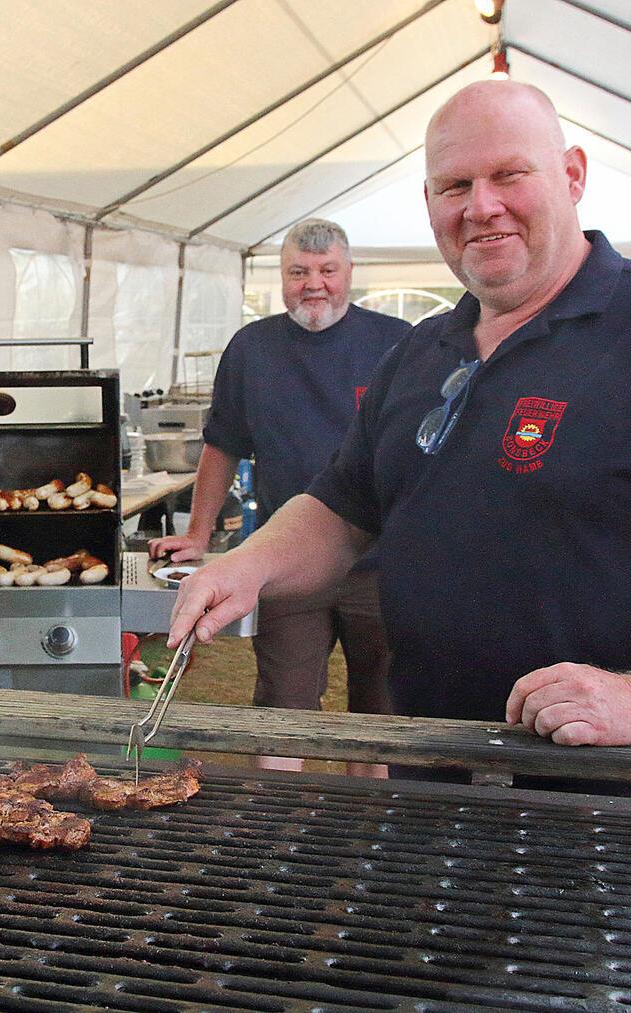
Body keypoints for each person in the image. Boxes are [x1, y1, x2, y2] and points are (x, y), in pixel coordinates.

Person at [167, 81, 631, 803]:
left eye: (509, 175)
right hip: (435, 780)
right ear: (429, 201)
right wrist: (248, 564)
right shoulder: (422, 351)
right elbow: (343, 510)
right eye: (454, 185)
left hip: (624, 799)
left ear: (572, 175)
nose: (481, 206)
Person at [149, 219, 410, 774]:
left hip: (382, 562)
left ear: (350, 272)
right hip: (286, 560)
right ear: (281, 278)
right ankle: (275, 819)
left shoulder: (398, 342)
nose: (313, 284)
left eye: (327, 271)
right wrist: (198, 534)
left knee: (380, 716)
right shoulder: (252, 348)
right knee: (281, 710)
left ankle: (375, 818)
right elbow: (222, 445)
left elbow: (426, 448)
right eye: (298, 272)